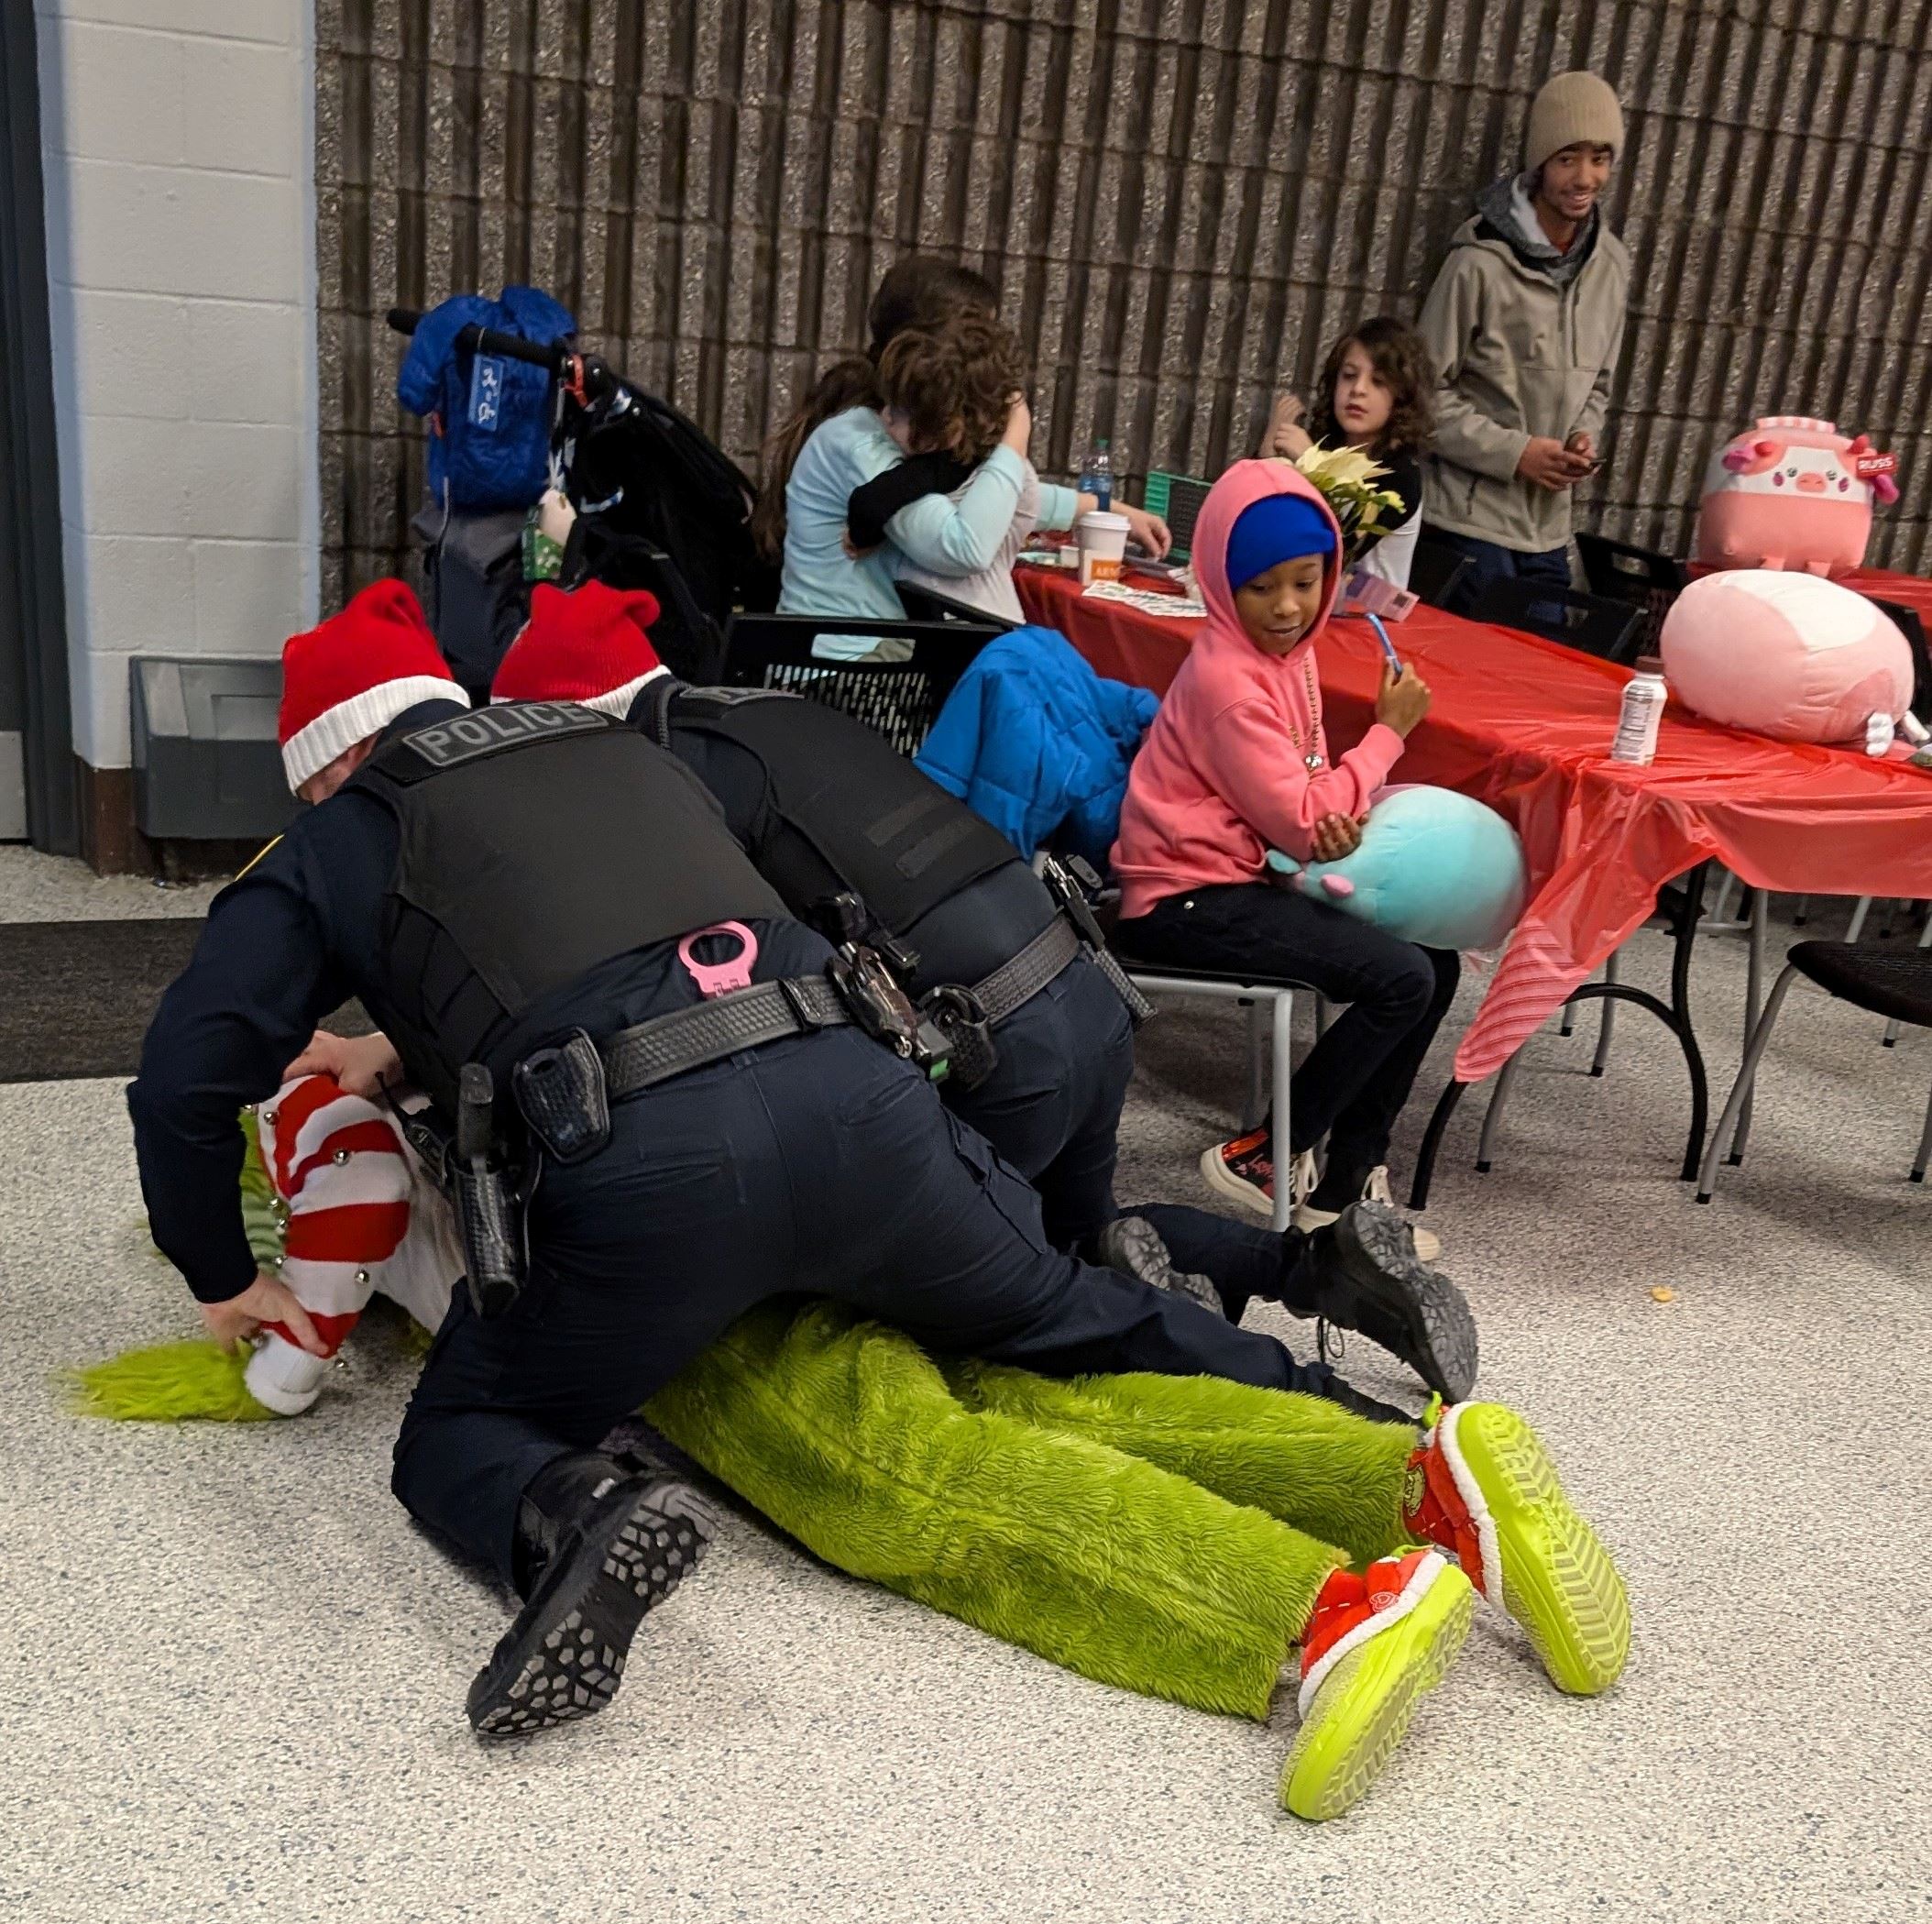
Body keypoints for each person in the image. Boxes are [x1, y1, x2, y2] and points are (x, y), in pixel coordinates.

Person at [127, 575, 1461, 1763]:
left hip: (648, 1180)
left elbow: (187, 1077)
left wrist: (220, 1271)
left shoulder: (338, 837)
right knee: (1070, 1303)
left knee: (462, 1430)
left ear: (323, 766)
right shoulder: (636, 752)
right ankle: (1383, 1440)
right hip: (872, 1102)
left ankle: (574, 1509)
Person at [99, 1063, 1623, 1822]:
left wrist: (277, 1326)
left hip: (659, 1292)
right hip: (837, 1169)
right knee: (1032, 1393)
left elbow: (347, 1214)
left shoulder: (317, 1113)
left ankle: (1318, 1610)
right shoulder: (487, 975)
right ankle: (1408, 1476)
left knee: (910, 1477)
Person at [488, 577, 1477, 1399]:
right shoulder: (764, 715)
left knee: (1010, 1300)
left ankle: (1331, 1405)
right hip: (1083, 998)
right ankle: (1317, 1266)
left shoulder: (672, 784)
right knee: (1074, 1232)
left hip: (999, 1048)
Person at [1110, 460, 1456, 1249]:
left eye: (1307, 581)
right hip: (1182, 899)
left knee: (1434, 962)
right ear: (1221, 585)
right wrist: (1387, 736)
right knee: (1400, 979)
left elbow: (1305, 799)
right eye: (1263, 587)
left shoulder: (1285, 656)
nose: (1289, 606)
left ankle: (1346, 1190)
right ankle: (1269, 1151)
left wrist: (1328, 817)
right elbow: (1305, 814)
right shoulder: (1232, 680)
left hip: (1247, 871)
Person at [752, 254, 1167, 634]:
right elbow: (964, 546)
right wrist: (1016, 432)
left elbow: (988, 492)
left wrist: (1107, 510)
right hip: (843, 668)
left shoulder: (903, 425)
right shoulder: (866, 438)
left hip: (878, 654)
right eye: (974, 334)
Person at [1416, 71, 1630, 615]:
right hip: (1466, 526)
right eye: (1568, 158)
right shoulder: (1476, 264)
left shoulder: (1612, 264)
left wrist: (1582, 437)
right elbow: (1418, 396)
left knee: (1534, 684)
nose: (1585, 176)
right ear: (1539, 165)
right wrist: (1517, 454)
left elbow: (1599, 384)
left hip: (1548, 531)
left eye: (1600, 157)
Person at [1257, 316, 1435, 589]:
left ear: (1402, 396)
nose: (1358, 390)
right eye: (1349, 376)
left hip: (1366, 622)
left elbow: (1337, 551)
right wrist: (1267, 457)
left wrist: (1311, 464)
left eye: (1377, 381)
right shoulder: (1324, 444)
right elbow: (1257, 531)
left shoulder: (1401, 475)